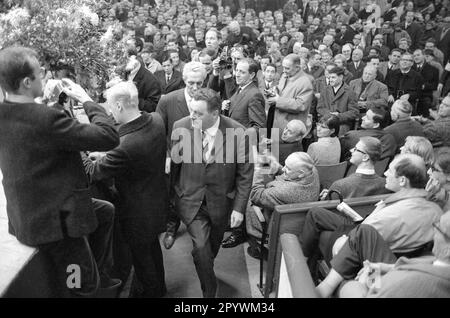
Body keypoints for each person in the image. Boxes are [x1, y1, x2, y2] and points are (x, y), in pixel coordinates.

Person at [0, 47, 120, 296]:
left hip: (26, 215)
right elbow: (109, 136)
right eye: (40, 73)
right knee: (80, 284)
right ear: (26, 82)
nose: (44, 76)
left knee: (105, 212)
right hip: (58, 224)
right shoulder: (46, 119)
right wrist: (86, 99)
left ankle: (100, 272)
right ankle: (87, 285)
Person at [308, 154, 443, 297]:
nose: (385, 173)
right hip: (397, 266)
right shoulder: (436, 210)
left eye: (389, 171)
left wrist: (346, 238)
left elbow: (348, 246)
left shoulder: (392, 214)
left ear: (402, 180)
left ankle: (323, 285)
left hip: (378, 278)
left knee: (351, 236)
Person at [83, 81, 167, 298]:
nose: (110, 112)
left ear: (119, 106)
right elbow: (138, 155)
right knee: (153, 252)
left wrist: (77, 149)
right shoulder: (156, 120)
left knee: (142, 261)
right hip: (156, 203)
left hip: (136, 214)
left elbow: (91, 172)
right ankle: (160, 288)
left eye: (110, 107)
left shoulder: (125, 146)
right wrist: (107, 156)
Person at [170, 88, 253, 298]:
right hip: (190, 200)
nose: (192, 116)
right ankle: (210, 292)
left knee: (209, 250)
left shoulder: (238, 132)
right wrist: (173, 198)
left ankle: (204, 262)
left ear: (215, 114)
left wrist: (239, 209)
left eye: (198, 113)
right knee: (200, 247)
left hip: (221, 203)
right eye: (192, 111)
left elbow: (245, 175)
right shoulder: (180, 127)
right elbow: (174, 167)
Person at [156, 62, 208, 250]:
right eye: (191, 83)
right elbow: (159, 132)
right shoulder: (168, 100)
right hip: (175, 156)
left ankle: (199, 227)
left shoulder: (209, 99)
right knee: (172, 194)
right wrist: (167, 156)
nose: (195, 88)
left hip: (200, 158)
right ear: (184, 80)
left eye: (199, 83)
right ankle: (171, 229)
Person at [338, 212, 450, 298]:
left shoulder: (411, 284)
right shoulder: (437, 266)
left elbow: (374, 292)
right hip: (382, 281)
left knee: (344, 282)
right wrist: (385, 268)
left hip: (373, 289)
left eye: (438, 228)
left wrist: (359, 284)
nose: (433, 232)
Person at [246, 152, 320, 259]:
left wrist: (258, 170)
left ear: (301, 173)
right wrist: (277, 167)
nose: (284, 168)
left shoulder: (285, 191)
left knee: (248, 200)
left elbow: (255, 194)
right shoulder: (312, 171)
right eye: (285, 165)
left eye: (288, 168)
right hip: (298, 217)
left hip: (278, 222)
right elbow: (289, 173)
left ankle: (259, 242)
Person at [320, 137, 391, 201]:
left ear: (365, 157)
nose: (351, 150)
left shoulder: (340, 186)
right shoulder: (386, 185)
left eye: (356, 149)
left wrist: (328, 197)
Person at [267, 54, 314, 136]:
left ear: (297, 68)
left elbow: (300, 105)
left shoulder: (305, 83)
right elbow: (281, 89)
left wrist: (278, 100)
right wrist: (274, 91)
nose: (284, 70)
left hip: (290, 130)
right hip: (276, 124)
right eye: (283, 67)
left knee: (285, 148)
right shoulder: (285, 75)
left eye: (287, 68)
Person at [316, 66, 359, 136]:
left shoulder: (350, 92)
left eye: (333, 77)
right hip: (326, 122)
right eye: (329, 78)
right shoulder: (325, 90)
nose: (330, 80)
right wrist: (330, 115)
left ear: (341, 77)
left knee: (339, 132)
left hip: (342, 123)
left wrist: (338, 116)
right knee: (317, 132)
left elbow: (354, 112)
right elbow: (319, 108)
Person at [412, 49, 440, 118]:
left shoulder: (434, 70)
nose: (416, 57)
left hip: (425, 95)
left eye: (418, 55)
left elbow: (435, 85)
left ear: (424, 56)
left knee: (426, 102)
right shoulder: (410, 68)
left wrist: (424, 86)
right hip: (411, 94)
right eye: (414, 56)